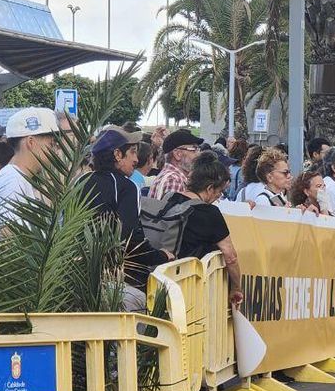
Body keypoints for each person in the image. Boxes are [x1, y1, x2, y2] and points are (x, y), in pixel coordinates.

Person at [81, 128, 173, 291]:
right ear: (117, 154)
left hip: (78, 276)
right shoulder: (127, 187)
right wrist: (161, 256)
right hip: (111, 281)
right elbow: (130, 241)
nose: (136, 159)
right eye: (132, 152)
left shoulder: (81, 181)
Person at [159, 152, 245, 306]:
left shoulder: (170, 198)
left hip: (161, 277)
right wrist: (236, 288)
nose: (218, 197)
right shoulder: (209, 213)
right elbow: (230, 256)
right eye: (219, 192)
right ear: (210, 188)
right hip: (191, 287)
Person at [0, 108, 61, 241]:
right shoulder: (12, 178)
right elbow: (8, 233)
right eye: (51, 144)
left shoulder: (18, 176)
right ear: (31, 142)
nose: (55, 151)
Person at [149, 129, 203, 200]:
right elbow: (175, 211)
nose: (198, 154)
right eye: (194, 149)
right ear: (178, 154)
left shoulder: (171, 176)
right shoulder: (174, 180)